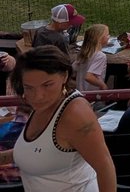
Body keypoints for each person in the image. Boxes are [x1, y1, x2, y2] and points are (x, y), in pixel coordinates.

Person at [1, 45, 117, 192]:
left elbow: (105, 167)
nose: (38, 96)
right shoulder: (43, 106)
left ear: (64, 76)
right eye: (29, 87)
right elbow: (38, 152)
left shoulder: (75, 114)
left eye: (47, 85)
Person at [76, 23, 110, 94]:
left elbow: (74, 68)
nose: (109, 37)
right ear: (100, 38)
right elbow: (89, 77)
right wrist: (103, 85)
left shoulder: (84, 53)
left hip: (80, 93)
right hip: (93, 95)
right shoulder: (101, 56)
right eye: (107, 35)